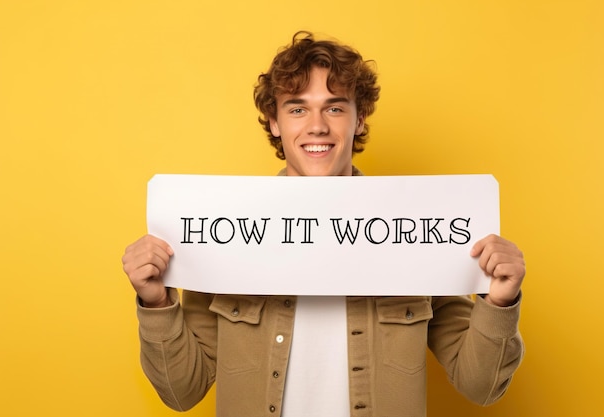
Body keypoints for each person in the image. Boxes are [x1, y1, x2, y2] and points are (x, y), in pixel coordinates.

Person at [122, 31, 525, 417]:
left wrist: (499, 302)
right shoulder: (225, 230)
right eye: (297, 108)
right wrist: (157, 302)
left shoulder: (419, 229)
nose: (317, 125)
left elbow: (482, 387)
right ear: (275, 122)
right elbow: (181, 392)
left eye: (334, 107)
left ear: (360, 119)